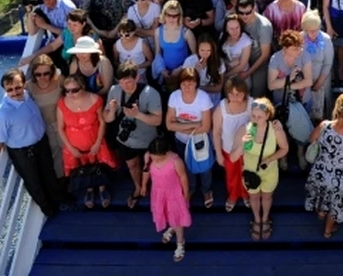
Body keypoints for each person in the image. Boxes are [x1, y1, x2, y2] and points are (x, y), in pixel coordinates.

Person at [0, 69, 67, 218]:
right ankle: (48, 210)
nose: (15, 92)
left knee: (49, 173)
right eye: (9, 90)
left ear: (24, 85)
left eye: (18, 87)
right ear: (4, 90)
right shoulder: (3, 115)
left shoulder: (27, 95)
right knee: (34, 182)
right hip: (23, 154)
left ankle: (61, 198)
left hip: (41, 143)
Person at [305, 93, 343, 238]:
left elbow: (311, 139)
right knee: (335, 205)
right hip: (341, 178)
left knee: (322, 192)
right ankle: (327, 231)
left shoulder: (325, 126)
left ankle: (321, 212)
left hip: (321, 171)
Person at [228, 97, 289, 241]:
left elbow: (285, 149)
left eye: (259, 117)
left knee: (267, 196)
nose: (255, 119)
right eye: (253, 116)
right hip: (251, 172)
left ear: (267, 116)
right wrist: (242, 144)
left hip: (270, 171)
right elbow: (232, 158)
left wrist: (269, 159)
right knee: (254, 197)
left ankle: (265, 218)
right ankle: (257, 218)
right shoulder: (244, 129)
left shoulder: (275, 129)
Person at [104, 62, 163, 208]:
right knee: (132, 165)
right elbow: (108, 119)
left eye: (129, 81)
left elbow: (157, 120)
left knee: (152, 166)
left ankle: (156, 190)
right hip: (126, 139)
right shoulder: (114, 90)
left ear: (137, 78)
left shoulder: (150, 93)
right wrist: (112, 110)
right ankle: (138, 188)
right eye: (121, 81)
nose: (125, 85)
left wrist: (137, 115)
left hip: (148, 140)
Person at [56, 72, 118, 208]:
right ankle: (89, 189)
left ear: (82, 87)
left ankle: (102, 188)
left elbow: (102, 122)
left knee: (99, 167)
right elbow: (60, 128)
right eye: (67, 91)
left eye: (74, 90)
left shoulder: (96, 100)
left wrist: (98, 143)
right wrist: (71, 148)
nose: (70, 94)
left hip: (95, 143)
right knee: (83, 170)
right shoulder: (62, 103)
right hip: (74, 147)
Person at [166, 67, 215, 209]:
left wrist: (180, 125)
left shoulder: (203, 98)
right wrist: (194, 124)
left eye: (190, 83)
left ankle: (206, 190)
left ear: (196, 84)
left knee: (205, 168)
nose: (187, 87)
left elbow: (206, 127)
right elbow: (169, 125)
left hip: (200, 141)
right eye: (183, 84)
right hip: (181, 141)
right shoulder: (174, 96)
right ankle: (191, 187)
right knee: (187, 166)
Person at [141, 136, 191, 262]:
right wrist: (143, 185)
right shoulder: (148, 156)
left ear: (165, 153)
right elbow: (146, 170)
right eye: (153, 157)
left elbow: (183, 177)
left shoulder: (175, 161)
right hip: (159, 193)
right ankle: (172, 227)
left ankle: (180, 243)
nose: (155, 160)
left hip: (174, 195)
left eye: (158, 158)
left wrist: (186, 194)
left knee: (177, 219)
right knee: (167, 213)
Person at [212, 76, 252, 212]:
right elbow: (216, 132)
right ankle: (233, 195)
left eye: (239, 94)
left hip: (247, 150)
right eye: (232, 94)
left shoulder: (252, 104)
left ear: (245, 93)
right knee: (231, 175)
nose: (235, 97)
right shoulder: (221, 107)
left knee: (246, 173)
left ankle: (246, 194)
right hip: (228, 150)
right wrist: (218, 153)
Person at [25, 56, 65, 177]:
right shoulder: (29, 86)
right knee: (53, 154)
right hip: (44, 127)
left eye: (46, 73)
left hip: (63, 124)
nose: (42, 77)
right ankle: (60, 179)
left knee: (68, 150)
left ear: (52, 71)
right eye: (38, 74)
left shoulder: (59, 80)